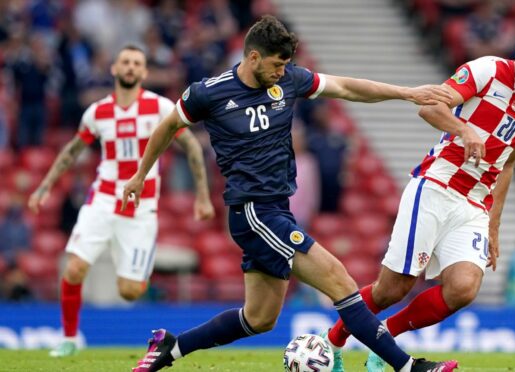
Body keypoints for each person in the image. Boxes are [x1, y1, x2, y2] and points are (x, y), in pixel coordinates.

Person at [124, 15, 458, 372]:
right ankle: (409, 367)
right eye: (276, 64)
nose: (282, 72)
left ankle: (171, 347)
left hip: (276, 210)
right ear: (252, 57)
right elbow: (168, 126)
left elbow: (346, 87)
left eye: (286, 65)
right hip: (253, 211)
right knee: (340, 280)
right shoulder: (208, 92)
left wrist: (406, 93)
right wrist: (140, 175)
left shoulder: (289, 81)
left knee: (259, 318)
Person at [323, 18, 515, 372]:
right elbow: (430, 106)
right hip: (436, 186)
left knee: (463, 289)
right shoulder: (486, 70)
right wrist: (464, 129)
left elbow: (509, 163)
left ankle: (384, 343)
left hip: (474, 205)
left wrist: (494, 227)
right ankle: (331, 341)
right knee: (392, 288)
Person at [27, 45, 215, 358]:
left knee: (129, 292)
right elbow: (72, 151)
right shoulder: (97, 112)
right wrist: (44, 187)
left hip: (140, 209)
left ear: (144, 73)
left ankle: (134, 261)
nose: (130, 67)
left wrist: (203, 196)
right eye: (125, 62)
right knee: (73, 269)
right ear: (114, 69)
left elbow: (193, 148)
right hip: (101, 199)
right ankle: (70, 338)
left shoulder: (159, 107)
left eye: (136, 64)